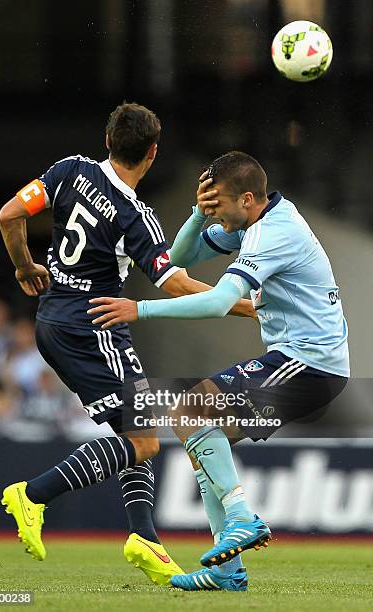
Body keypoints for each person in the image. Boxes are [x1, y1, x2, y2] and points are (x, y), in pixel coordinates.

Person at [0, 107, 256, 586]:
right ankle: (33, 495)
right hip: (92, 327)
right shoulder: (135, 216)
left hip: (53, 318)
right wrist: (244, 305)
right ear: (153, 153)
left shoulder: (69, 170)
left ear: (107, 139)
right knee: (145, 440)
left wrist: (22, 267)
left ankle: (144, 537)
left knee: (136, 429)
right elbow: (174, 284)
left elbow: (9, 214)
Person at [88, 150, 350, 592]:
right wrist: (197, 213)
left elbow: (217, 302)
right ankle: (228, 572)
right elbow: (180, 256)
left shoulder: (271, 233)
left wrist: (141, 309)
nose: (217, 216)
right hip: (298, 360)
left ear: (247, 199)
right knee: (200, 440)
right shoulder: (252, 220)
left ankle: (243, 518)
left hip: (309, 364)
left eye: (220, 206)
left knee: (189, 413)